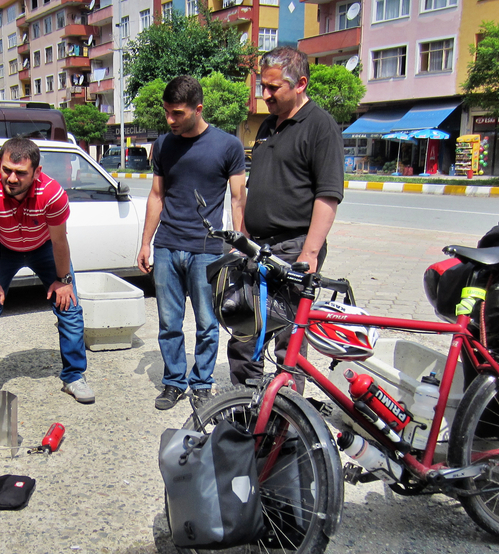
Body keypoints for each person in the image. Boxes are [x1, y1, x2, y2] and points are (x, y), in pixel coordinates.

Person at [227, 46, 344, 386]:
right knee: (245, 331)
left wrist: (308, 254)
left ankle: (284, 424)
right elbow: (257, 187)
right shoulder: (267, 127)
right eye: (262, 86)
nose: (265, 95)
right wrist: (244, 240)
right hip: (258, 249)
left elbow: (328, 195)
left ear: (301, 84)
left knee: (287, 340)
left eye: (273, 88)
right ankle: (246, 411)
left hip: (293, 249)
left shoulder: (320, 127)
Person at [136, 75, 246, 410]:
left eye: (178, 113)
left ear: (198, 109)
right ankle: (173, 382)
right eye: (167, 112)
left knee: (207, 323)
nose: (170, 120)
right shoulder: (164, 144)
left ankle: (201, 383)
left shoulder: (228, 146)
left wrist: (240, 245)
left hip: (206, 250)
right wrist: (145, 243)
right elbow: (157, 195)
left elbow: (238, 199)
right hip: (167, 245)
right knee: (169, 322)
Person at [0, 137, 94, 403]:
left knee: (69, 306)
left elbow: (60, 241)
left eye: (21, 173)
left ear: (37, 172)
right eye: (6, 170)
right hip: (3, 248)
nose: (11, 179)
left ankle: (73, 376)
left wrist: (63, 280)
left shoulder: (52, 193)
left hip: (44, 247)